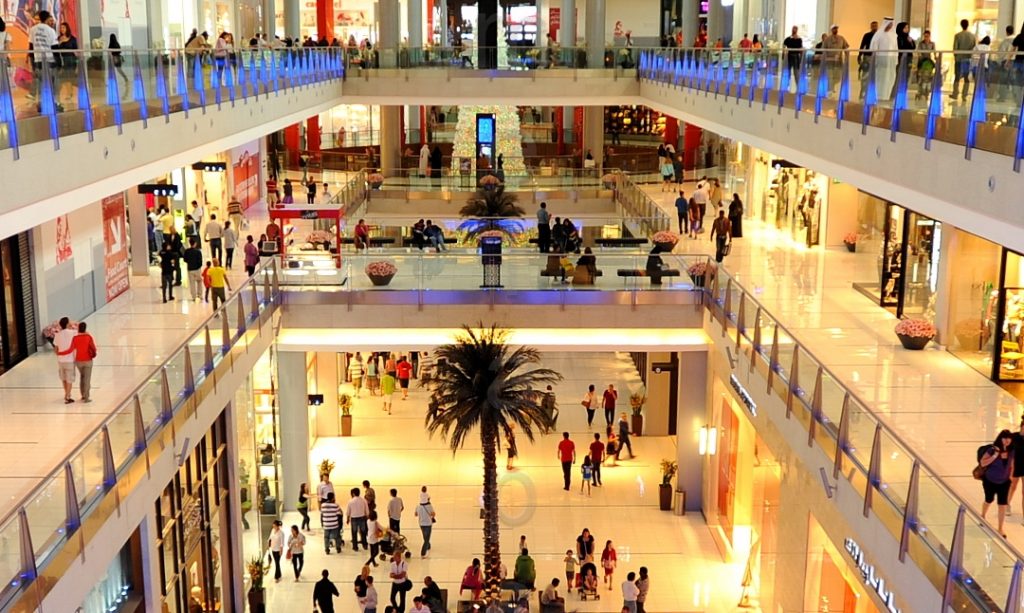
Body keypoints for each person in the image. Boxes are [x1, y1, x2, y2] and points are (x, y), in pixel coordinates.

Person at [980, 429, 1015, 537]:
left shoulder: (1011, 451)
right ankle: (982, 515)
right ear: (1000, 438)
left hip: (1004, 482)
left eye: (1009, 438)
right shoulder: (992, 450)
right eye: (1004, 438)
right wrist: (995, 455)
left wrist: (1010, 477)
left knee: (1002, 505)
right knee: (989, 499)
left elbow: (1012, 464)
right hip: (990, 480)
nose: (1007, 440)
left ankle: (1000, 528)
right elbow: (983, 463)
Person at [869, 18, 898, 100]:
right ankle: (879, 96)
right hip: (880, 60)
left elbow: (896, 49)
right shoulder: (878, 35)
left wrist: (895, 60)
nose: (890, 26)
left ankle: (886, 96)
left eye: (891, 24)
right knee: (880, 78)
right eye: (889, 24)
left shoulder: (894, 35)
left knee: (890, 78)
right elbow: (873, 48)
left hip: (891, 61)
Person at [69, 322, 97, 403]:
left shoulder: (75, 338)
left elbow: (72, 348)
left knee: (82, 377)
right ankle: (86, 397)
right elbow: (93, 348)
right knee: (87, 378)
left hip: (78, 361)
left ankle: (83, 395)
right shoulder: (88, 337)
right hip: (87, 360)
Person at [53, 317, 77, 403]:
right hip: (70, 360)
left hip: (61, 361)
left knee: (64, 379)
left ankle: (66, 393)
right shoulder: (72, 333)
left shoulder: (57, 335)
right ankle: (68, 395)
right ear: (67, 324)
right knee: (69, 379)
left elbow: (56, 349)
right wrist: (72, 325)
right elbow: (79, 329)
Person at [953, 18, 978, 101]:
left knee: (957, 77)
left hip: (959, 59)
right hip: (968, 59)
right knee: (966, 77)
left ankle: (955, 93)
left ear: (961, 25)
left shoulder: (958, 36)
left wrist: (956, 56)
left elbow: (955, 49)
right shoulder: (972, 36)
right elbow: (974, 48)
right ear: (968, 25)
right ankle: (964, 95)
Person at [823, 24, 850, 93]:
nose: (835, 30)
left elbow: (845, 48)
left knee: (838, 77)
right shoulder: (827, 39)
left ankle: (831, 86)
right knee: (830, 75)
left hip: (838, 61)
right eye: (834, 28)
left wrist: (847, 57)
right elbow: (823, 50)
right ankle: (829, 89)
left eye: (836, 28)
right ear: (831, 30)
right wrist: (825, 59)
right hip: (829, 61)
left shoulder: (841, 38)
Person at [858, 21, 879, 98]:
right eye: (873, 26)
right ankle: (863, 92)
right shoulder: (867, 35)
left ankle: (873, 93)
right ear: (871, 27)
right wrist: (860, 55)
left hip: (877, 57)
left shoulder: (879, 35)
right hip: (867, 57)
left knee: (876, 76)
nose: (874, 27)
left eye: (875, 26)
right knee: (865, 75)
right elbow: (862, 45)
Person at [347, 487, 370, 551]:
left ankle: (355, 547)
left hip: (354, 518)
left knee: (354, 533)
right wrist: (367, 516)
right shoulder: (364, 500)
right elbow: (367, 510)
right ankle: (365, 545)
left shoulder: (350, 501)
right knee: (363, 532)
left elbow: (348, 511)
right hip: (362, 518)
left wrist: (348, 519)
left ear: (353, 493)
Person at [416, 488, 435, 557]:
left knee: (425, 536)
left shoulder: (418, 506)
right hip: (428, 524)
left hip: (421, 524)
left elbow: (415, 514)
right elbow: (433, 514)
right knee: (427, 538)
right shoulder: (429, 506)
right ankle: (423, 552)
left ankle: (428, 545)